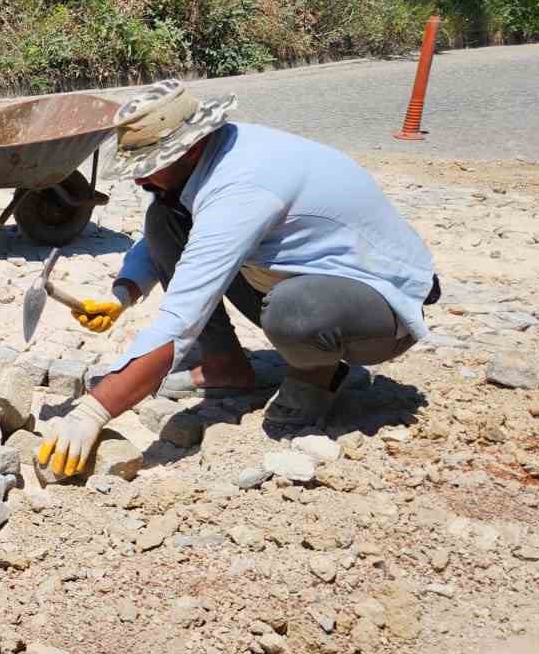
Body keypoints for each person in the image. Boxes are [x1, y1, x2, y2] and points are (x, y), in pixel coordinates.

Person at [38, 78, 438, 478]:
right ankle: (226, 365)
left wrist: (92, 411)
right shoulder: (211, 158)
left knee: (295, 312)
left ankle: (317, 376)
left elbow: (181, 320)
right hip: (306, 275)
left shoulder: (243, 187)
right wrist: (122, 293)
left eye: (151, 166)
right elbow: (163, 241)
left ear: (191, 148)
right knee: (163, 217)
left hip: (379, 307)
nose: (141, 180)